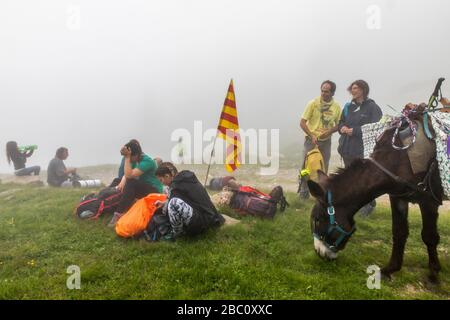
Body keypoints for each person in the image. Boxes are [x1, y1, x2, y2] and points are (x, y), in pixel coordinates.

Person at [338, 79, 383, 216]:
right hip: (346, 148)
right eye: (352, 88)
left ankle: (369, 203)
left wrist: (355, 131)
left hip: (362, 149)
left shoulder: (372, 107)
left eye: (356, 88)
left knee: (363, 178)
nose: (353, 90)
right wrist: (342, 128)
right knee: (351, 178)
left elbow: (377, 128)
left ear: (363, 90)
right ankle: (356, 203)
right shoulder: (347, 107)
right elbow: (340, 122)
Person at [154, 162, 225, 239]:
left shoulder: (176, 186)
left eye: (161, 180)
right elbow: (189, 200)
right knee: (172, 202)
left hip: (203, 223)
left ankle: (177, 234)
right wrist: (164, 203)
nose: (162, 183)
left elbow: (171, 209)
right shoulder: (186, 179)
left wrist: (165, 207)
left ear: (167, 176)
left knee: (173, 203)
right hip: (211, 217)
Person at [298, 80, 342, 198]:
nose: (323, 93)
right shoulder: (313, 103)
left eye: (326, 91)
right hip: (310, 141)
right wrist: (311, 135)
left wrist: (329, 131)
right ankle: (303, 192)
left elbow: (339, 125)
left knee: (323, 168)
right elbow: (302, 123)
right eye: (322, 91)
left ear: (332, 93)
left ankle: (320, 194)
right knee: (305, 167)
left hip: (326, 142)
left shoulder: (336, 107)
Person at [108, 141, 164, 227]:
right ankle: (102, 199)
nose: (129, 159)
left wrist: (127, 158)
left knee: (131, 182)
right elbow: (126, 174)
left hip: (154, 191)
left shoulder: (147, 161)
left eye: (130, 157)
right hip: (143, 188)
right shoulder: (135, 160)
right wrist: (122, 180)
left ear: (136, 154)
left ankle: (119, 213)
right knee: (117, 181)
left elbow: (129, 175)